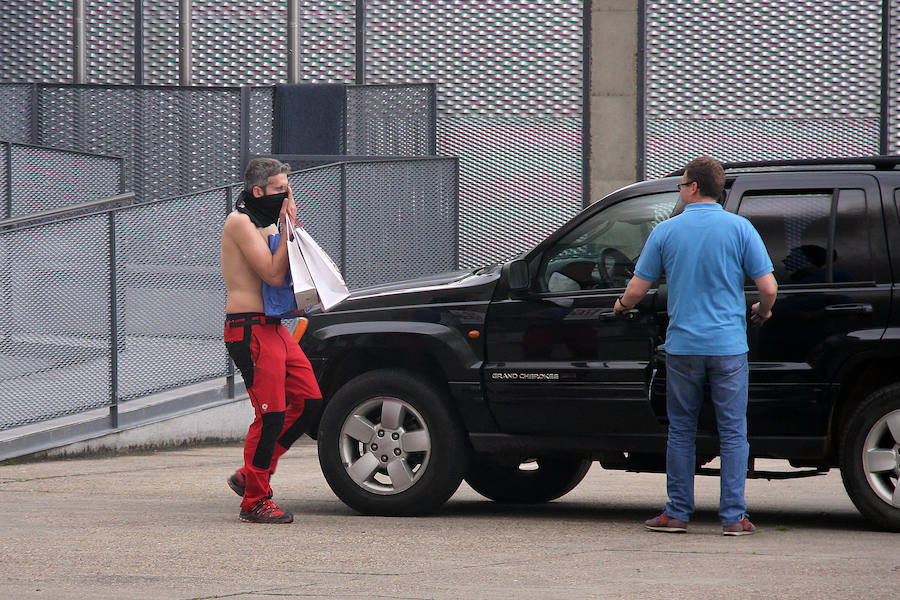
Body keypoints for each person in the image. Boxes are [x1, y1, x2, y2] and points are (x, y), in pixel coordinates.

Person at [614, 156, 777, 536]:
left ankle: (677, 513)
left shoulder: (667, 232)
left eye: (681, 184)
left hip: (685, 346)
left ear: (693, 187)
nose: (680, 190)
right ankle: (734, 518)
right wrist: (762, 311)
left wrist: (621, 306)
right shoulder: (740, 228)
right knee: (734, 430)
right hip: (728, 346)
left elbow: (638, 289)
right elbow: (768, 288)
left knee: (682, 429)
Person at [220, 158, 324, 523]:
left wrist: (286, 225)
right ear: (258, 191)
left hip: (275, 326)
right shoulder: (241, 222)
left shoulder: (266, 224)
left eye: (288, 189)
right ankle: (255, 500)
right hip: (249, 327)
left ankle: (252, 474)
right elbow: (273, 273)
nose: (287, 195)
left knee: (309, 401)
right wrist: (286, 223)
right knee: (271, 415)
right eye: (280, 190)